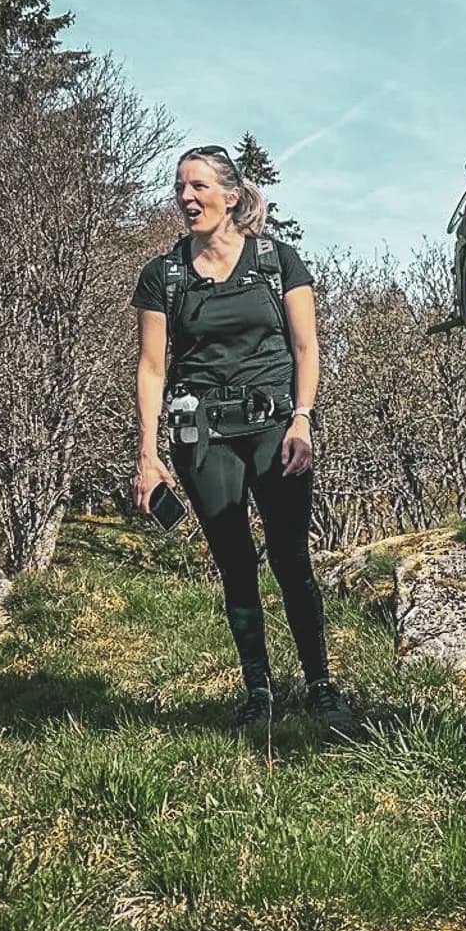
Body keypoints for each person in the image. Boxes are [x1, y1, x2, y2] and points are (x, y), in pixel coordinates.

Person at [132, 145, 354, 738]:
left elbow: (307, 348)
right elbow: (152, 369)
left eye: (199, 186)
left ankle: (320, 684)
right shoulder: (164, 276)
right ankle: (258, 691)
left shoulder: (277, 261)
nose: (186, 197)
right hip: (202, 436)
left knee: (290, 556)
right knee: (234, 562)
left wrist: (303, 419)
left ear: (231, 194)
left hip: (277, 428)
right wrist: (148, 455)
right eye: (180, 186)